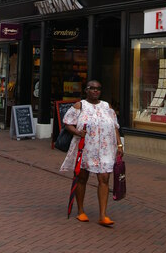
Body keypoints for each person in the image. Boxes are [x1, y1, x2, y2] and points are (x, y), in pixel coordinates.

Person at [60, 80, 123, 226]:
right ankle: (81, 211)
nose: (95, 91)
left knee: (105, 178)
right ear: (86, 90)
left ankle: (103, 215)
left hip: (106, 148)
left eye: (98, 89)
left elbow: (115, 126)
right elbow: (67, 122)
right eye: (92, 88)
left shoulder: (107, 106)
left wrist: (119, 144)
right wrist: (77, 131)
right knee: (82, 178)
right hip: (86, 148)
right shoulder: (80, 106)